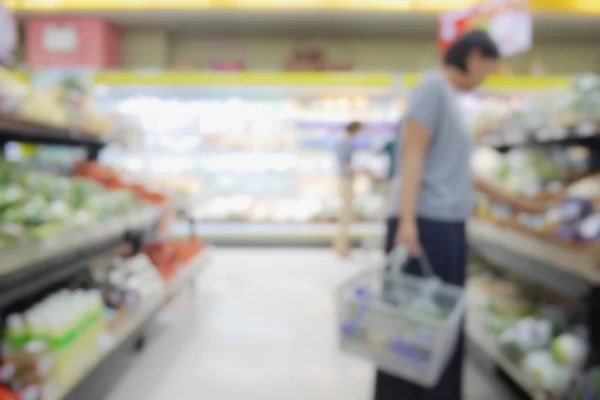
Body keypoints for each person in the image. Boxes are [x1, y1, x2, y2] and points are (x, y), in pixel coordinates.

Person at [375, 30, 544, 400]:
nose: (488, 76)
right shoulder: (433, 88)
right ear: (473, 57)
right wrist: (407, 222)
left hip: (442, 223)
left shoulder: (447, 97)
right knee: (418, 323)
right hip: (424, 224)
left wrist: (518, 204)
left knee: (436, 323)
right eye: (489, 67)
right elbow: (413, 154)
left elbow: (458, 171)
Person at [334, 121, 362, 257]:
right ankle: (343, 248)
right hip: (346, 181)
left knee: (345, 215)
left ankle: (341, 246)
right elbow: (343, 164)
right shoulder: (346, 142)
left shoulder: (343, 141)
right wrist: (357, 171)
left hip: (345, 180)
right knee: (346, 215)